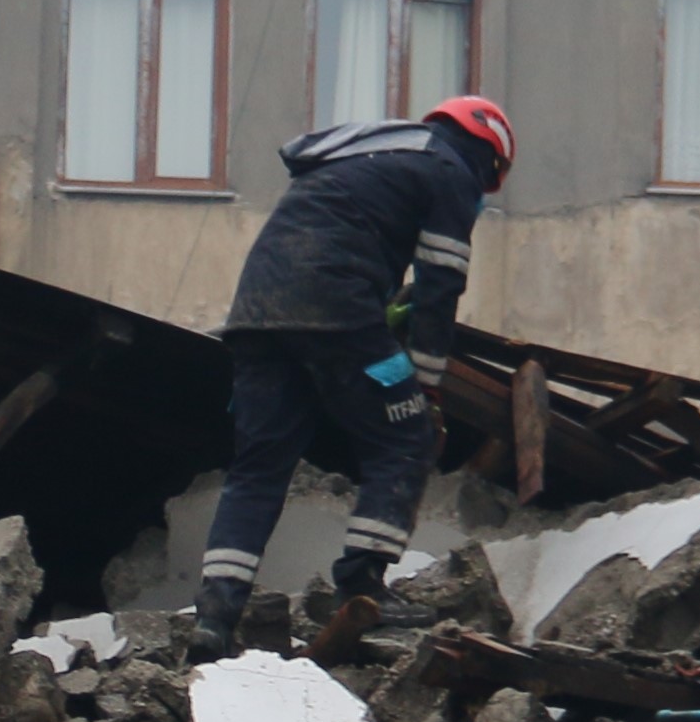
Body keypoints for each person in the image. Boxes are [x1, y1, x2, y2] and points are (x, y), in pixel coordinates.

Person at [191, 93, 512, 652]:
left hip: (258, 319)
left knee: (260, 467)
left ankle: (215, 616)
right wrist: (426, 382)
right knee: (407, 438)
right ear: (490, 155)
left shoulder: (362, 156)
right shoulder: (451, 168)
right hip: (341, 318)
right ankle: (362, 586)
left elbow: (334, 238)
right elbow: (441, 287)